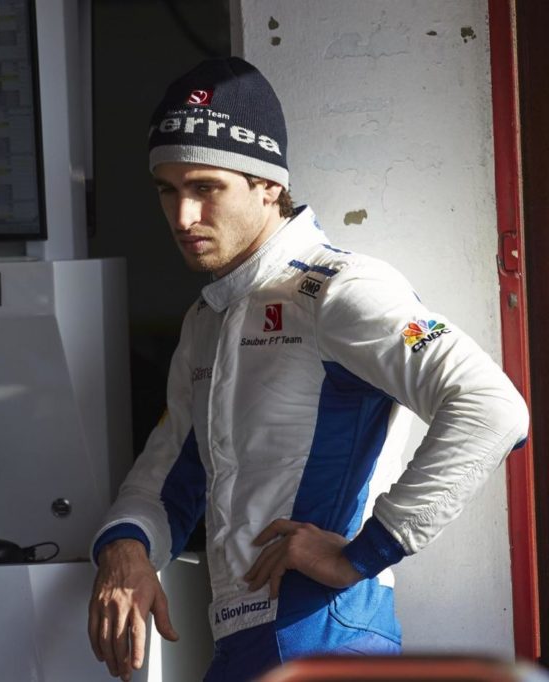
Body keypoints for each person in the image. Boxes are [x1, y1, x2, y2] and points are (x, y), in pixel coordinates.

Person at [86, 57, 529, 682]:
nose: (182, 217)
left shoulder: (342, 289)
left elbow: (492, 407)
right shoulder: (206, 320)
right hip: (244, 644)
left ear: (268, 185)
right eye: (167, 189)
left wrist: (364, 554)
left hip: (326, 634)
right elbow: (166, 478)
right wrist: (125, 549)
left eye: (205, 187)